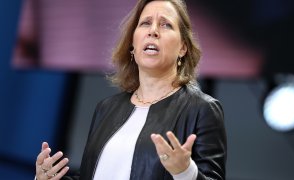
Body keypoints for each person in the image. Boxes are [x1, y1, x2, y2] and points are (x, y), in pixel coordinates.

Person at [35, 0, 227, 179]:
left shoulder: (202, 109)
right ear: (133, 45)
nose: (153, 31)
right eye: (145, 23)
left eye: (165, 24)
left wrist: (186, 173)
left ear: (183, 48)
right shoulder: (106, 108)